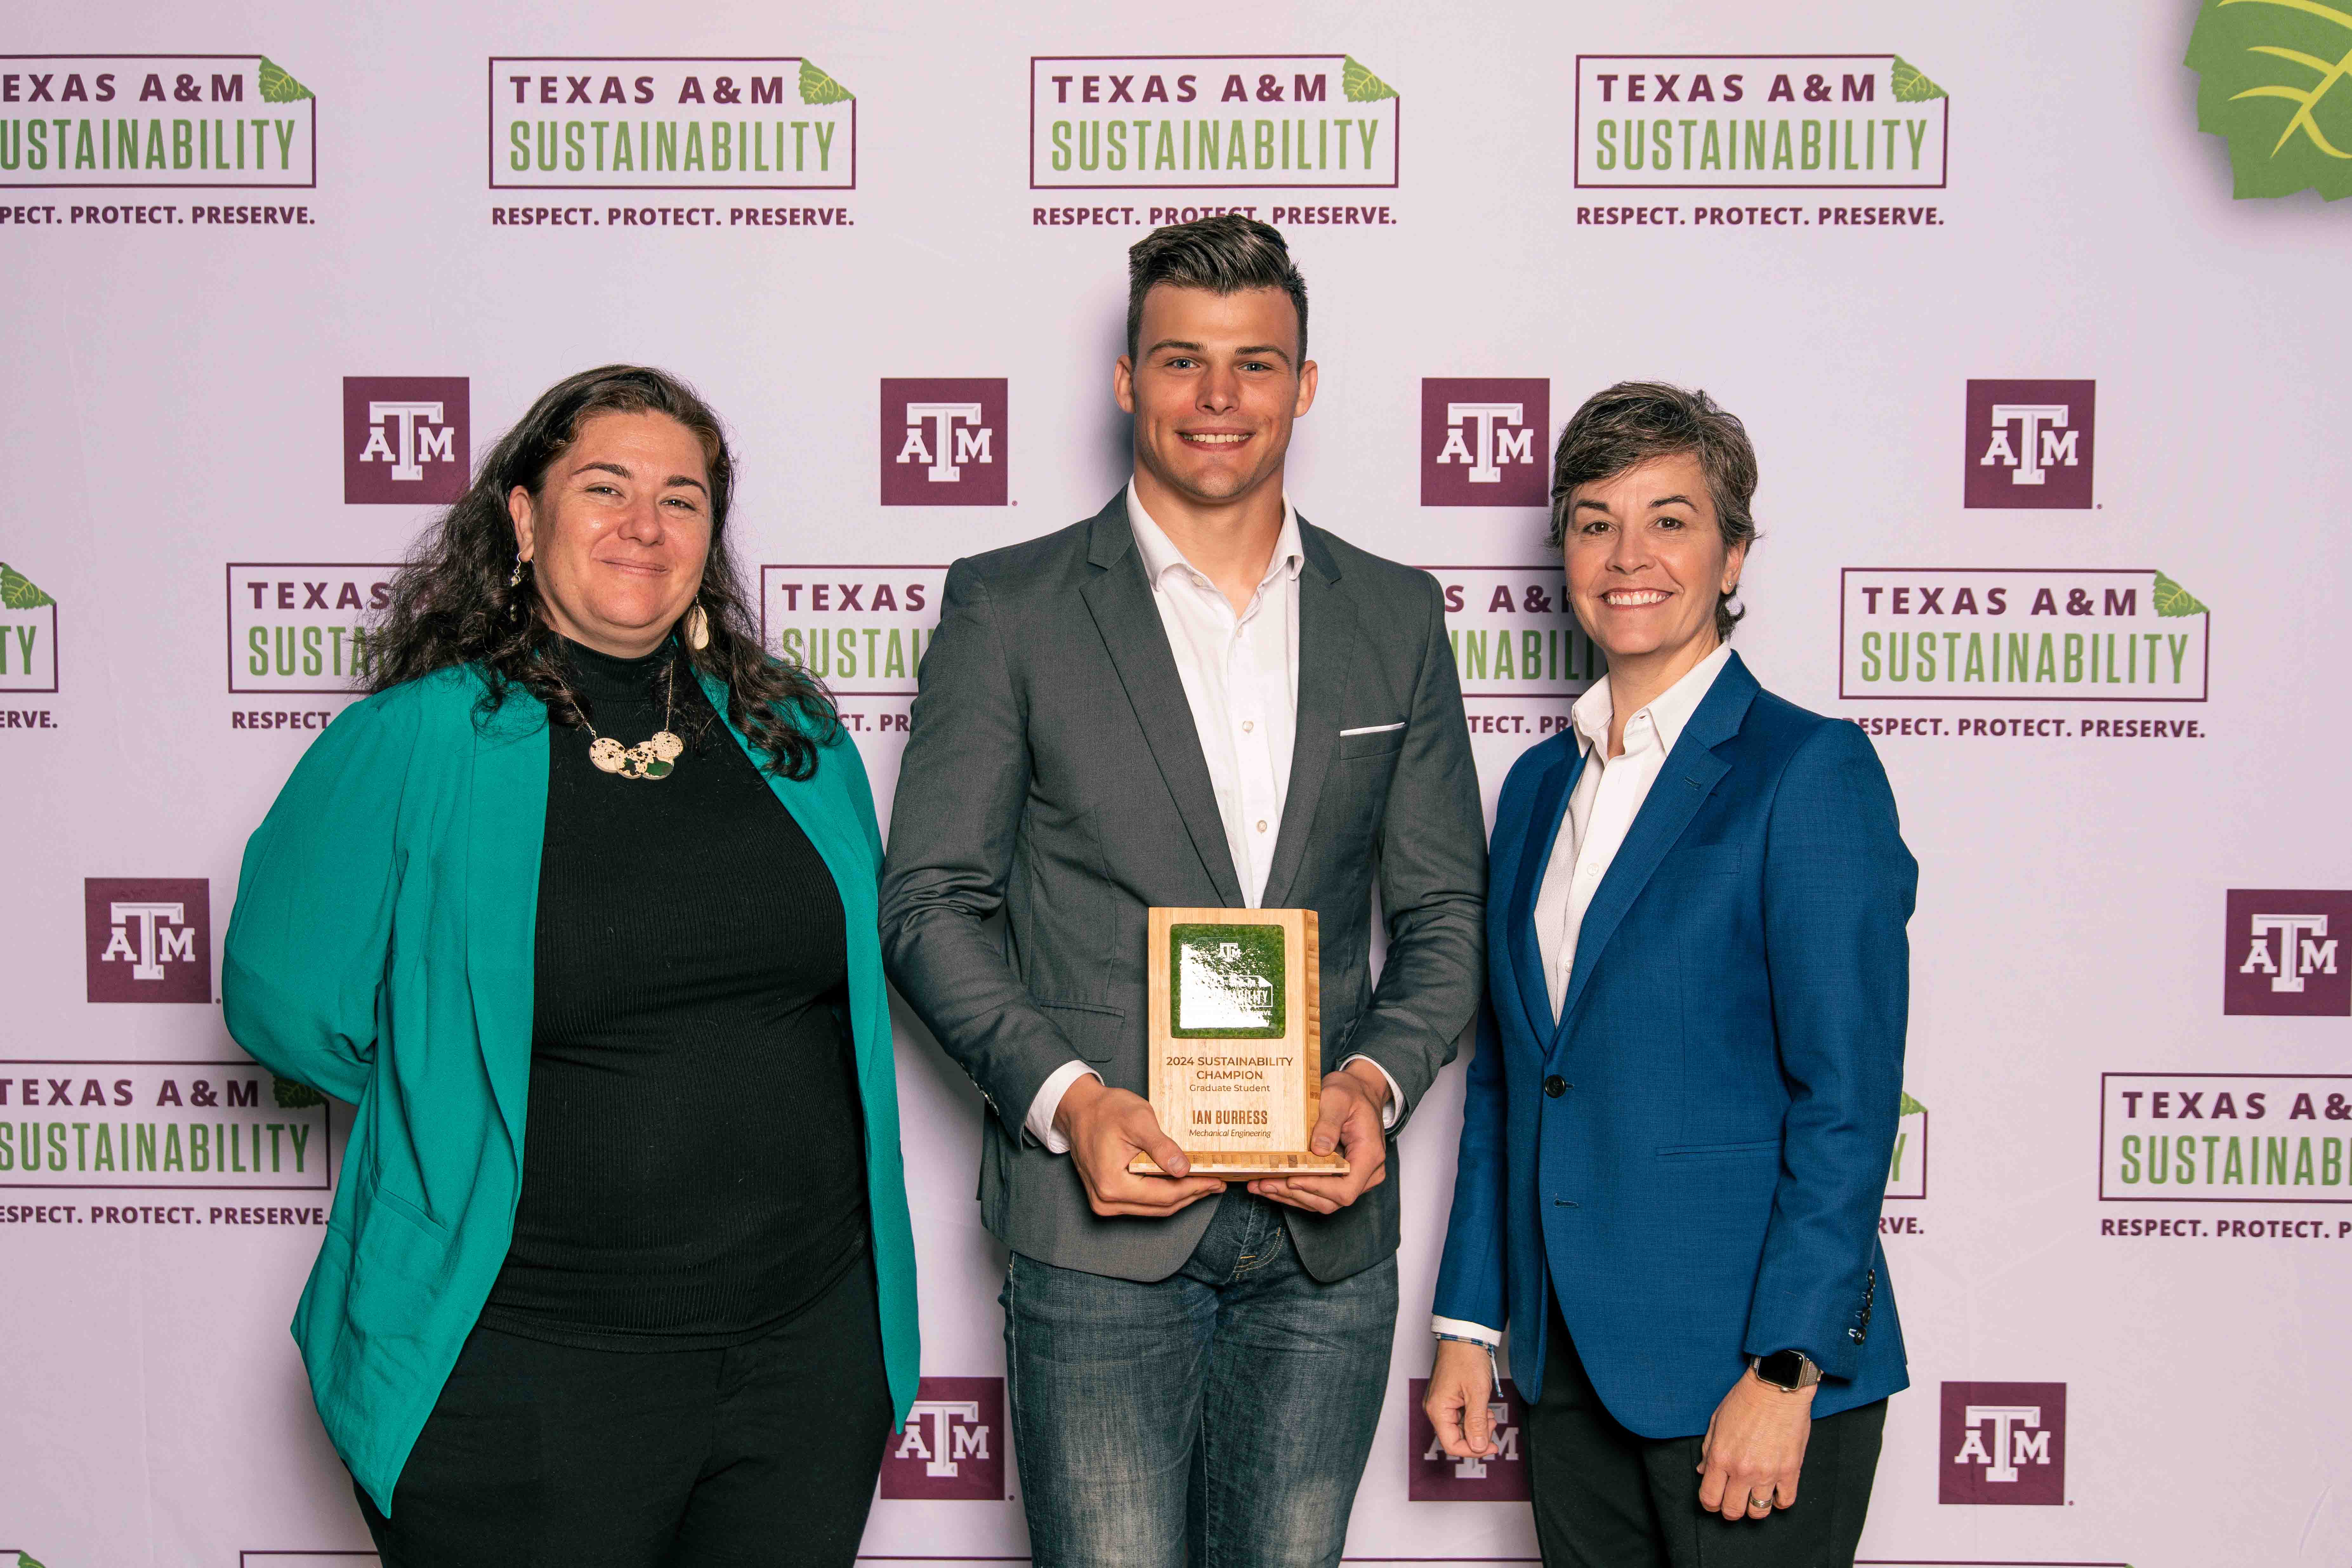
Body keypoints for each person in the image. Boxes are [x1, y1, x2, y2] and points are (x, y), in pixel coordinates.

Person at [223, 365, 919, 1567]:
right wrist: (455, 1063)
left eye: (682, 498)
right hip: (524, 1369)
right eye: (605, 488)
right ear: (525, 517)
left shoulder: (793, 729)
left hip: (802, 1364)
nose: (644, 526)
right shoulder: (418, 738)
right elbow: (285, 999)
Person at [879, 215, 1486, 1568]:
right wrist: (1070, 1103)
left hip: (1324, 1251)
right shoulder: (1011, 607)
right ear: (1125, 383)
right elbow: (930, 901)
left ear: (1305, 386)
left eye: (1255, 364)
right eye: (1182, 362)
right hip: (1101, 1236)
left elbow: (1446, 915)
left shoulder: (1397, 615)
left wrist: (1372, 1087)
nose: (1219, 400)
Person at [1424, 383, 1915, 1567]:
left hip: (1747, 1373)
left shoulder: (1808, 771)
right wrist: (1469, 1319)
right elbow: (1509, 1081)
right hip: (1568, 1371)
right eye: (1595, 522)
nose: (1629, 556)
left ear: (1733, 550)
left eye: (1670, 520)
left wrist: (1787, 1366)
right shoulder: (1538, 789)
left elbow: (1847, 1102)